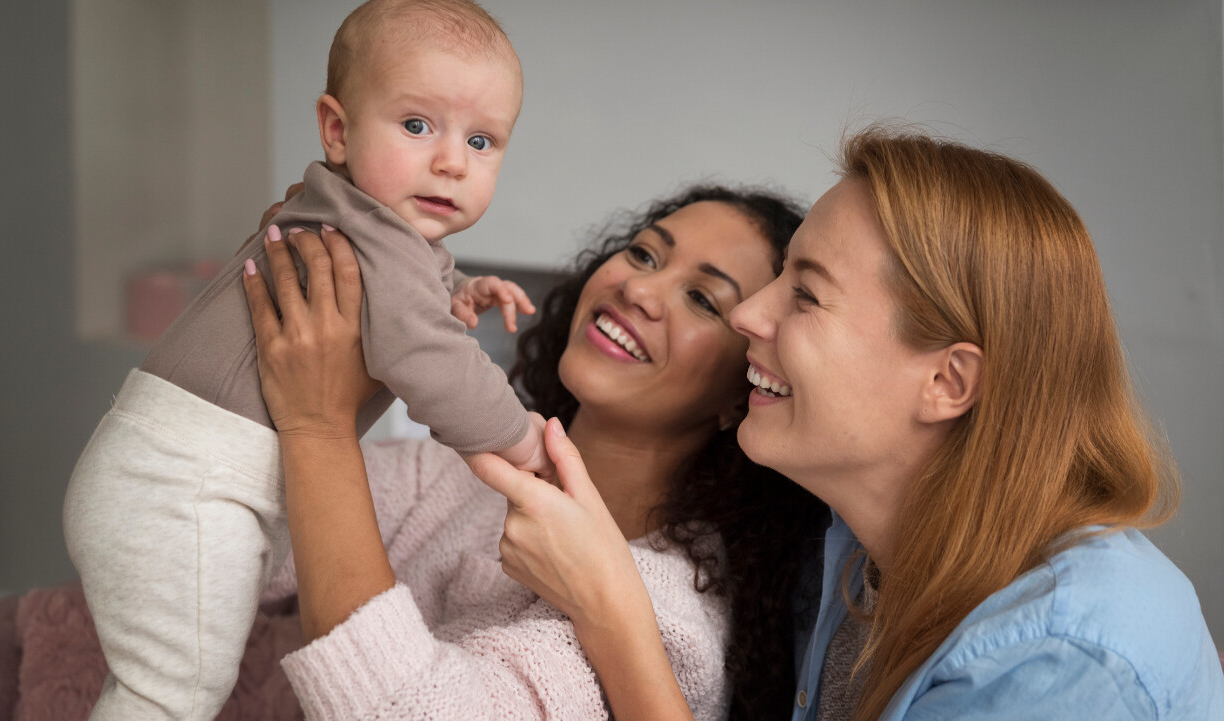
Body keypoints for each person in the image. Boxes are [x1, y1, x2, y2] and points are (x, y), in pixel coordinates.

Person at [471, 127, 1224, 720]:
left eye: (804, 296)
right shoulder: (846, 548)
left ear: (945, 380)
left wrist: (615, 618)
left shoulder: (1063, 661)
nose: (747, 317)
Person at [62, 1, 544, 718]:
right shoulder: (371, 236)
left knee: (170, 681)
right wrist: (523, 438)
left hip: (169, 474)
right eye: (417, 125)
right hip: (183, 487)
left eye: (482, 141)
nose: (451, 159)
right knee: (168, 692)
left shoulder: (360, 222)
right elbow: (432, 364)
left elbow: (405, 301)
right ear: (337, 129)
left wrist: (459, 289)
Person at [241, 185, 829, 719]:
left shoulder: (673, 615)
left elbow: (407, 710)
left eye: (702, 299)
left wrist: (318, 426)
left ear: (742, 393)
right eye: (645, 254)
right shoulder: (457, 473)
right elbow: (242, 531)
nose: (639, 289)